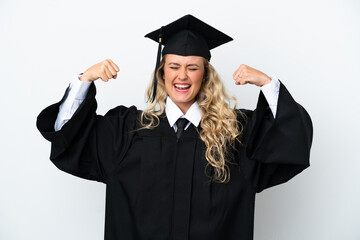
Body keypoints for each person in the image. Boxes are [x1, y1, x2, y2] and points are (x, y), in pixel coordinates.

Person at [37, 15, 313, 240]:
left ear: (205, 75)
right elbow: (68, 137)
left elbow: (291, 143)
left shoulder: (235, 133)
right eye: (174, 66)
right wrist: (85, 79)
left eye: (192, 67)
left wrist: (268, 85)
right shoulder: (126, 131)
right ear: (162, 72)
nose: (182, 75)